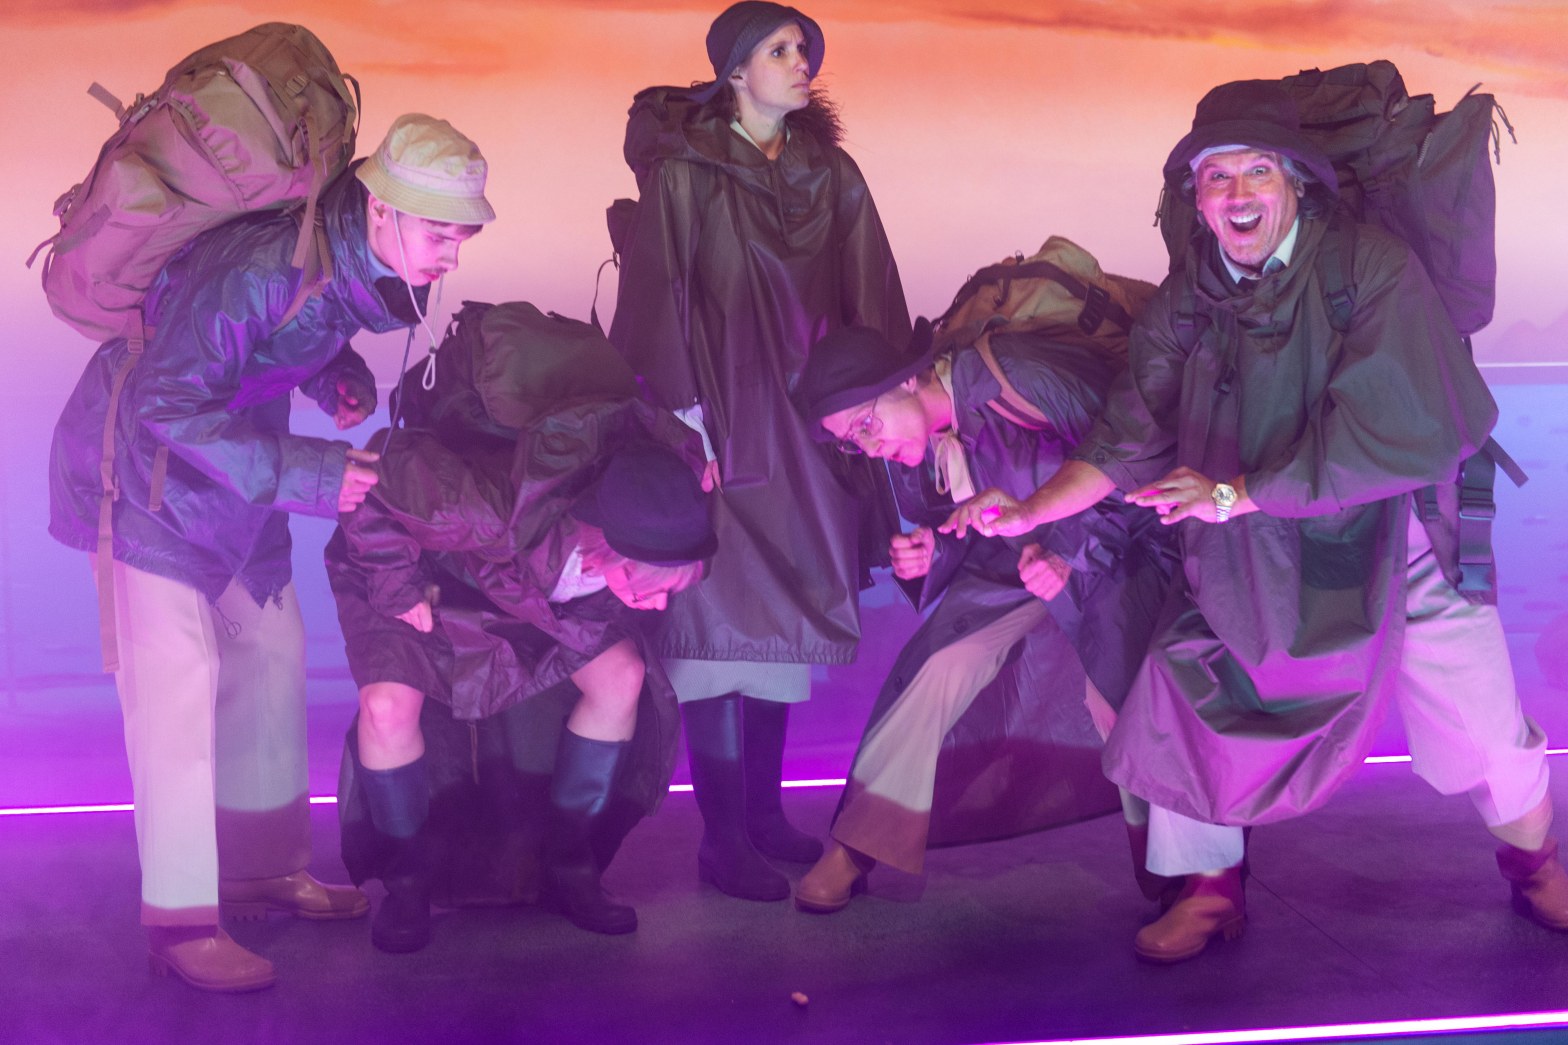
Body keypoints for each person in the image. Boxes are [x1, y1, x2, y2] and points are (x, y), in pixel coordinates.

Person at [945, 81, 1568, 963]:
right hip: (1253, 538)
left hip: (1392, 532)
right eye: (1217, 177)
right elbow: (1128, 431)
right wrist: (1031, 508)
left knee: (1478, 711)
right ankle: (1210, 888)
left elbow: (1392, 427)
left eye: (1258, 172)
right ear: (1195, 199)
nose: (1238, 194)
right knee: (1182, 684)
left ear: (1296, 182)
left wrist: (1235, 493)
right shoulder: (1189, 300)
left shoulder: (1370, 269)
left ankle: (1535, 861)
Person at [47, 113, 494, 992]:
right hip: (144, 484)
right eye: (439, 232)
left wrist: (334, 373)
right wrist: (315, 471)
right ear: (379, 209)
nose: (451, 254)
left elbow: (260, 343)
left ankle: (260, 867)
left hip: (235, 486)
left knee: (271, 655)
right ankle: (180, 921)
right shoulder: (265, 265)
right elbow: (164, 402)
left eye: (462, 236)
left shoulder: (332, 260)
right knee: (175, 691)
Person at [608, 1, 911, 901]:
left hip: (808, 426)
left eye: (803, 49)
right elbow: (655, 298)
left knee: (781, 627)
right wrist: (680, 422)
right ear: (734, 73)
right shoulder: (687, 173)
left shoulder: (832, 173)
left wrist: (878, 401)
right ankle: (722, 837)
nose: (801, 61)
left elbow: (871, 289)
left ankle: (767, 813)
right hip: (722, 420)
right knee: (714, 627)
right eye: (779, 50)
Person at [326, 325, 714, 952]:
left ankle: (570, 864)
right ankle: (408, 881)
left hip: (530, 590)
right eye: (650, 587)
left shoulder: (664, 502)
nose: (661, 604)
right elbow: (373, 482)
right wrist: (398, 588)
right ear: (607, 545)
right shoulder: (490, 508)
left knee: (623, 675)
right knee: (387, 706)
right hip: (414, 567)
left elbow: (672, 449)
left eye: (673, 588)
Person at [790, 320, 1174, 911]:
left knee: (1118, 695)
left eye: (865, 425)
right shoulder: (919, 440)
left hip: (1114, 551)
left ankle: (1176, 870)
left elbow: (1136, 457)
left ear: (908, 381)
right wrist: (934, 552)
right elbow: (969, 522)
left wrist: (1069, 554)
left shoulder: (1019, 374)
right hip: (1016, 562)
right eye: (850, 441)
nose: (867, 447)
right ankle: (858, 843)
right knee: (937, 666)